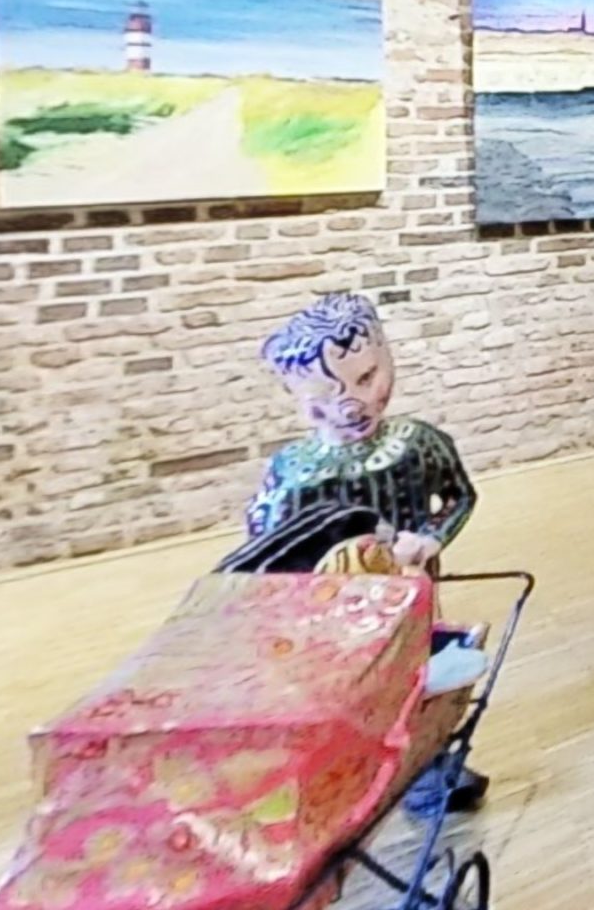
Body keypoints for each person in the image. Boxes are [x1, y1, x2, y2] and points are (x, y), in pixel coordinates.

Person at [246, 291, 487, 814]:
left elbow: (460, 496)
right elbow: (264, 542)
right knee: (345, 683)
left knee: (415, 675)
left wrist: (431, 537)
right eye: (324, 393)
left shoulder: (419, 443)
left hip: (412, 592)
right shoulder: (294, 470)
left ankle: (424, 762)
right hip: (330, 609)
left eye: (366, 378)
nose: (350, 403)